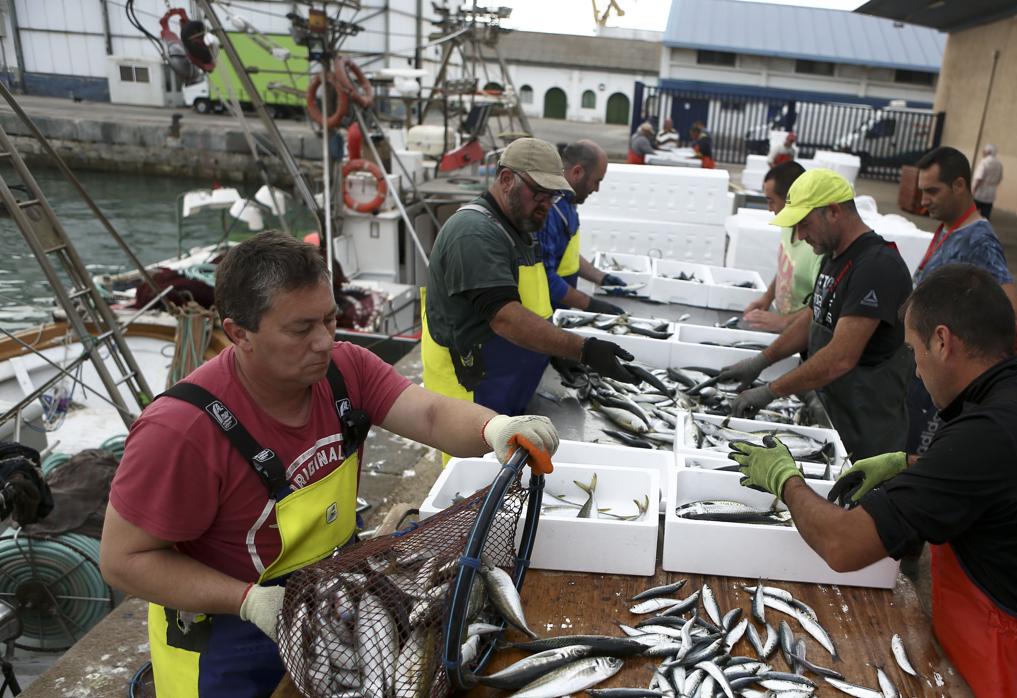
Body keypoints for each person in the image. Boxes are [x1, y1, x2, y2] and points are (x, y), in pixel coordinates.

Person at [99, 232, 561, 698]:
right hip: (227, 642)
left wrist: (494, 429)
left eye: (330, 319)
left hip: (328, 607)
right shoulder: (181, 431)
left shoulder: (345, 370)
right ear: (240, 333)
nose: (324, 341)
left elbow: (430, 414)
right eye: (301, 329)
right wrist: (248, 603)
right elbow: (123, 561)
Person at [728, 264, 1017, 696]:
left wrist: (785, 479)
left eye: (914, 352)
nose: (915, 371)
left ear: (942, 340)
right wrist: (909, 464)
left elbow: (843, 545)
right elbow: (995, 485)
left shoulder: (987, 434)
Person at [422, 137, 638, 420]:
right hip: (473, 395)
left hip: (509, 388)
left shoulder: (523, 227)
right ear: (507, 179)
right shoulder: (473, 232)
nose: (546, 204)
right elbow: (505, 317)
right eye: (539, 192)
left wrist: (554, 352)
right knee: (479, 465)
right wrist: (582, 350)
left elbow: (533, 301)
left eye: (552, 195)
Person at [717, 169, 912, 460]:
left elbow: (841, 357)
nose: (800, 235)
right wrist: (762, 360)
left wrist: (771, 390)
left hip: (865, 428)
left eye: (804, 224)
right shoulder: (833, 256)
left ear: (833, 211)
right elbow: (813, 317)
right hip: (833, 410)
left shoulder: (876, 266)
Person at [908, 146, 1017, 456]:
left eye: (932, 191)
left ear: (959, 185)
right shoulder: (949, 228)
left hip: (944, 388)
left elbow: (1009, 311)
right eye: (922, 191)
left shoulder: (979, 240)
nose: (924, 200)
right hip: (925, 377)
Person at [538, 140, 628, 312]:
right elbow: (544, 277)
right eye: (596, 181)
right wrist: (590, 305)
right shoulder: (548, 211)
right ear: (577, 172)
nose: (597, 189)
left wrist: (601, 277)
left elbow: (566, 255)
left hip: (560, 311)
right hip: (545, 314)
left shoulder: (569, 202)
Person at [742, 161, 822, 333]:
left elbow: (819, 308)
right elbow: (785, 268)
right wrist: (767, 298)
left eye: (771, 201)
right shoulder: (787, 225)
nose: (769, 208)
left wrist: (783, 322)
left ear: (790, 199)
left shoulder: (817, 246)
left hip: (799, 334)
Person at [971, 143, 1004, 219]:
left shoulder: (984, 162)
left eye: (984, 151)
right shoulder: (999, 164)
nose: (983, 153)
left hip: (979, 194)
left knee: (971, 215)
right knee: (985, 216)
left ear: (988, 152)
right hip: (991, 194)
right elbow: (999, 179)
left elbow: (979, 178)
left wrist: (973, 191)